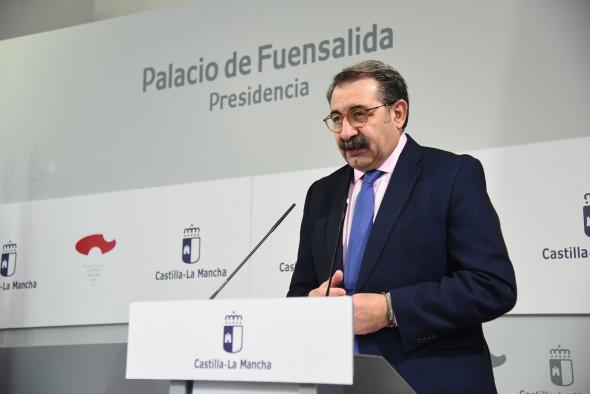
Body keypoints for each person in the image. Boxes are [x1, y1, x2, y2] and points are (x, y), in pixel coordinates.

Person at [287, 60, 516, 393]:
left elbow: (492, 285)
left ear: (397, 113)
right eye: (337, 118)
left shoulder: (451, 175)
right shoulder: (321, 194)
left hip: (430, 382)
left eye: (359, 115)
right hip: (341, 382)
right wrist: (312, 305)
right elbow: (300, 291)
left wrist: (390, 310)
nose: (346, 132)